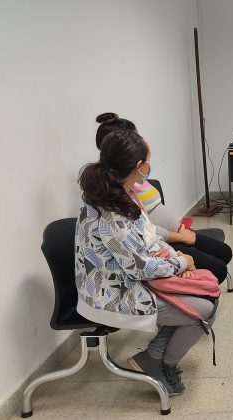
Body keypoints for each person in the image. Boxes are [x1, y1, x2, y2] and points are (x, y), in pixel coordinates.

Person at [76, 129, 218, 395]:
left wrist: (177, 258)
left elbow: (149, 237)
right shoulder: (111, 213)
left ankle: (153, 358)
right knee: (203, 311)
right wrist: (181, 264)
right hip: (110, 294)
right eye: (148, 164)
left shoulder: (121, 196)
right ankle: (164, 362)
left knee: (206, 294)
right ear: (139, 169)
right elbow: (139, 267)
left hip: (129, 279)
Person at [94, 113, 232, 284]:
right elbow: (143, 245)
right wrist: (180, 256)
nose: (142, 145)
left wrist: (181, 237)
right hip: (161, 246)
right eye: (136, 140)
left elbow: (145, 228)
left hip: (167, 240)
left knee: (223, 254)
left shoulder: (131, 185)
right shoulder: (114, 198)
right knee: (217, 269)